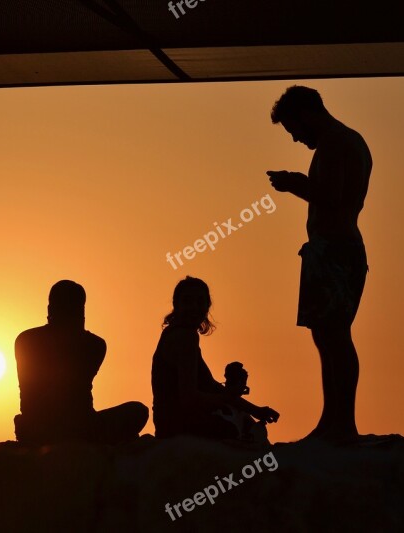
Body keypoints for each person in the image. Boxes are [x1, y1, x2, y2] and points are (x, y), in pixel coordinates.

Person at [267, 85, 372, 443]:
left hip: (335, 252)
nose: (296, 139)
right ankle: (333, 421)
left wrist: (295, 184)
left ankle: (341, 423)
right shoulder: (347, 141)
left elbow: (332, 197)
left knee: (335, 336)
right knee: (327, 337)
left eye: (294, 128)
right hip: (335, 250)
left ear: (306, 114)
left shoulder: (335, 143)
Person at [14, 280, 148, 445]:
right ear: (81, 311)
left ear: (50, 308)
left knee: (136, 411)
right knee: (138, 411)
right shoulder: (94, 344)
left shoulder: (25, 340)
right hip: (78, 427)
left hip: (35, 427)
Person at [151, 277, 279, 440]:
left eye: (200, 302)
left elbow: (210, 385)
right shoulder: (184, 337)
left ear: (207, 306)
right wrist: (227, 399)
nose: (194, 308)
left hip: (171, 423)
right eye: (188, 301)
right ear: (177, 305)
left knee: (243, 420)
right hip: (179, 426)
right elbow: (189, 398)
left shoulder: (180, 334)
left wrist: (255, 409)